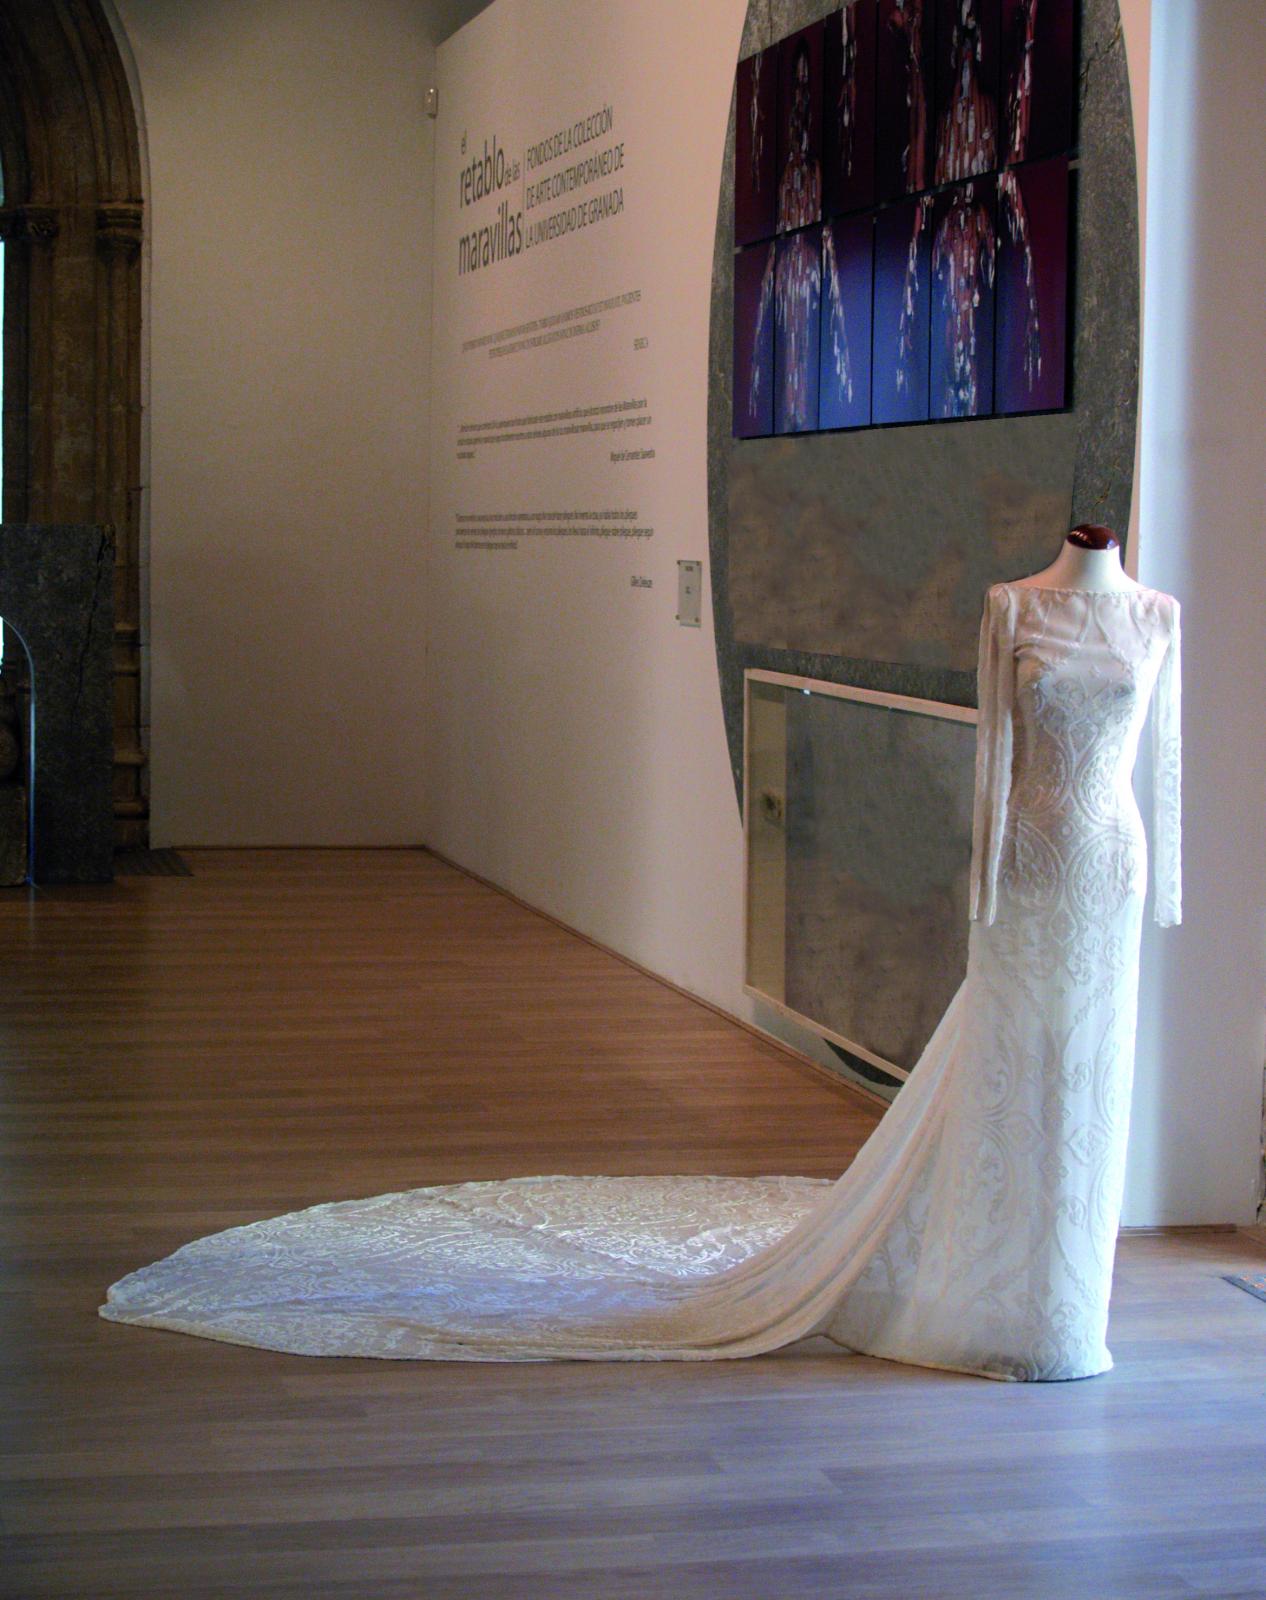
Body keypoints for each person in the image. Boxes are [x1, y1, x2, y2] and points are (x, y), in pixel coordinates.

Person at [102, 536, 1181, 1380]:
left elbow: (1157, 767)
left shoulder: (1154, 617)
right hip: (1031, 871)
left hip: (1109, 872)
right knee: (1021, 1072)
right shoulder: (1012, 608)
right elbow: (994, 767)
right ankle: (1003, 1292)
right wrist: (985, 888)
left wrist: (1165, 886)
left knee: (1088, 1082)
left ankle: (1060, 1303)